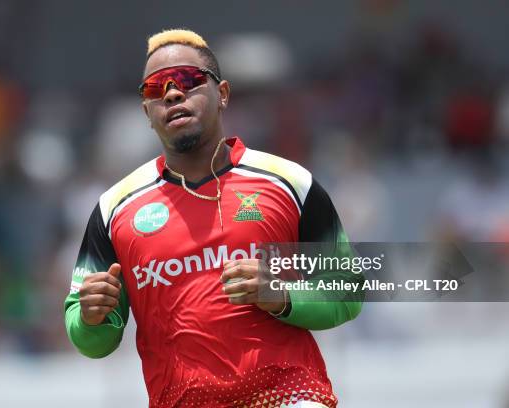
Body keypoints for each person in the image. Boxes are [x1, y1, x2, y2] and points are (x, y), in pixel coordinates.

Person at [64, 29, 363, 408]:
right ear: (146, 113)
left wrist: (282, 296)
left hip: (287, 395)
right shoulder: (114, 209)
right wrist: (90, 318)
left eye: (188, 80)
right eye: (156, 89)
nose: (173, 93)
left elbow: (348, 289)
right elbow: (93, 339)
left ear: (222, 94)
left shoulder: (290, 183)